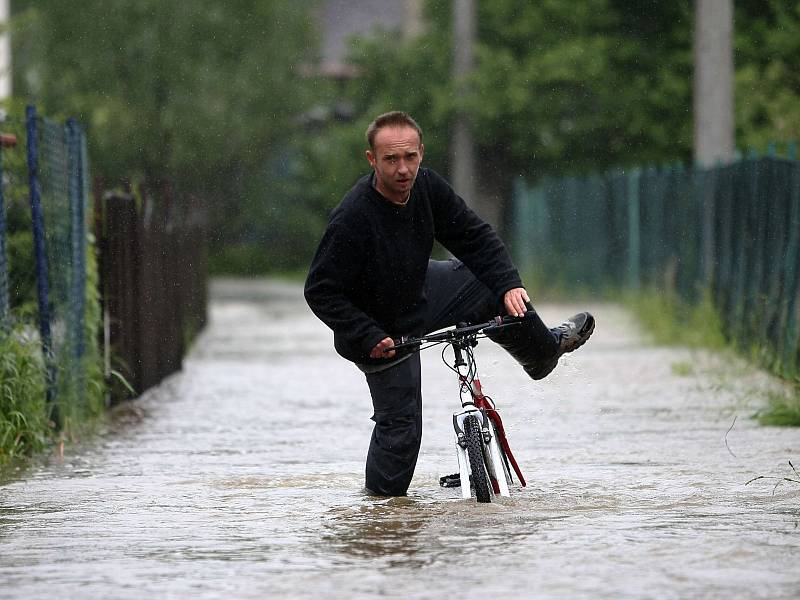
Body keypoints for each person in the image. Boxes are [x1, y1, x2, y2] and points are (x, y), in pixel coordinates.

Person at [304, 111, 594, 496]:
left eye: (410, 157)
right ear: (372, 160)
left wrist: (509, 284)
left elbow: (474, 236)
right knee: (402, 429)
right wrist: (366, 334)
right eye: (391, 159)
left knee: (491, 283)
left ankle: (543, 353)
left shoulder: (426, 186)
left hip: (420, 291)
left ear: (421, 153)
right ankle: (382, 518)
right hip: (379, 327)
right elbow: (320, 290)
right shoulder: (353, 217)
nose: (403, 169)